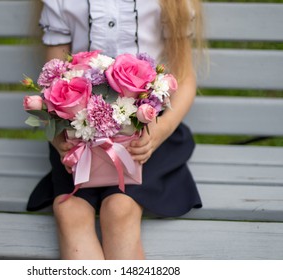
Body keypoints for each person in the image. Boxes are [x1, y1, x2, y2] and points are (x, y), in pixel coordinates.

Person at [27, 0, 205, 260]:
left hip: (146, 135)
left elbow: (185, 78)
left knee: (119, 208)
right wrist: (57, 136)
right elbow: (53, 81)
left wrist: (159, 131)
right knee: (69, 210)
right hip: (79, 137)